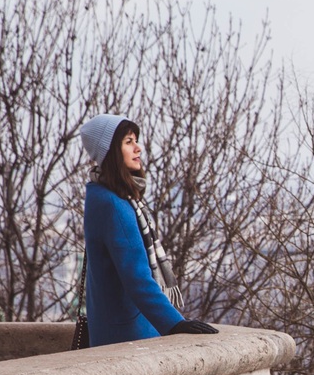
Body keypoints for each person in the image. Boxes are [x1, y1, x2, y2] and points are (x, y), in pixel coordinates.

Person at [78, 113, 217, 345]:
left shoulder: (101, 195)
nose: (138, 148)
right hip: (127, 336)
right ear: (110, 151)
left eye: (136, 140)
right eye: (128, 142)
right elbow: (137, 277)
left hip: (112, 327)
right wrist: (175, 323)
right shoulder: (114, 204)